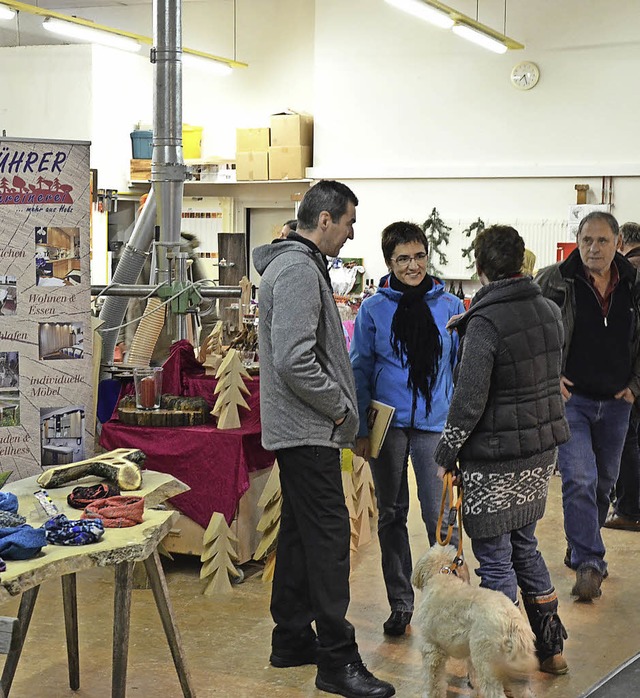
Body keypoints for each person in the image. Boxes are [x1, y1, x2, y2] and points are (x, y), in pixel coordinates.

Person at [252, 180, 395, 698]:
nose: (351, 233)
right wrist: (339, 407)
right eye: (350, 223)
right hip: (310, 429)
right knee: (331, 541)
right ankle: (338, 660)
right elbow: (294, 360)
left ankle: (290, 637)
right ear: (327, 219)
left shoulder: (297, 266)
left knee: (298, 533)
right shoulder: (295, 270)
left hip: (304, 430)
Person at [435, 225, 571, 674]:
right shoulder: (549, 311)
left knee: (494, 558)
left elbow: (469, 398)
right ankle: (551, 651)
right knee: (526, 547)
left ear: (480, 268)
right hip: (537, 454)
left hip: (493, 458)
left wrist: (446, 451)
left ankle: (506, 660)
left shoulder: (486, 322)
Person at [349, 221, 464, 637]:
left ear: (427, 256)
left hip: (436, 426)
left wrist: (460, 428)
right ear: (389, 263)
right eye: (403, 259)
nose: (413, 265)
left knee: (441, 517)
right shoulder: (373, 309)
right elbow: (360, 368)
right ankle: (401, 602)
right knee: (392, 514)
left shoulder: (451, 307)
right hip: (388, 427)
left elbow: (460, 369)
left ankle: (447, 598)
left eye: (418, 256)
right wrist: (362, 427)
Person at [536, 211, 640, 601]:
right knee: (579, 478)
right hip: (572, 401)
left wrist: (635, 386)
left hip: (616, 403)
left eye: (601, 241)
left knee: (603, 483)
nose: (593, 248)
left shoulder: (634, 284)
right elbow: (534, 332)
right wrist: (550, 375)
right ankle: (590, 562)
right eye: (586, 241)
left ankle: (582, 544)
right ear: (577, 242)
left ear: (617, 244)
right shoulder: (553, 280)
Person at [605, 221, 640, 530]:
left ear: (620, 243)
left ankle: (628, 508)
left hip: (629, 373)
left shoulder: (626, 272)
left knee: (628, 441)